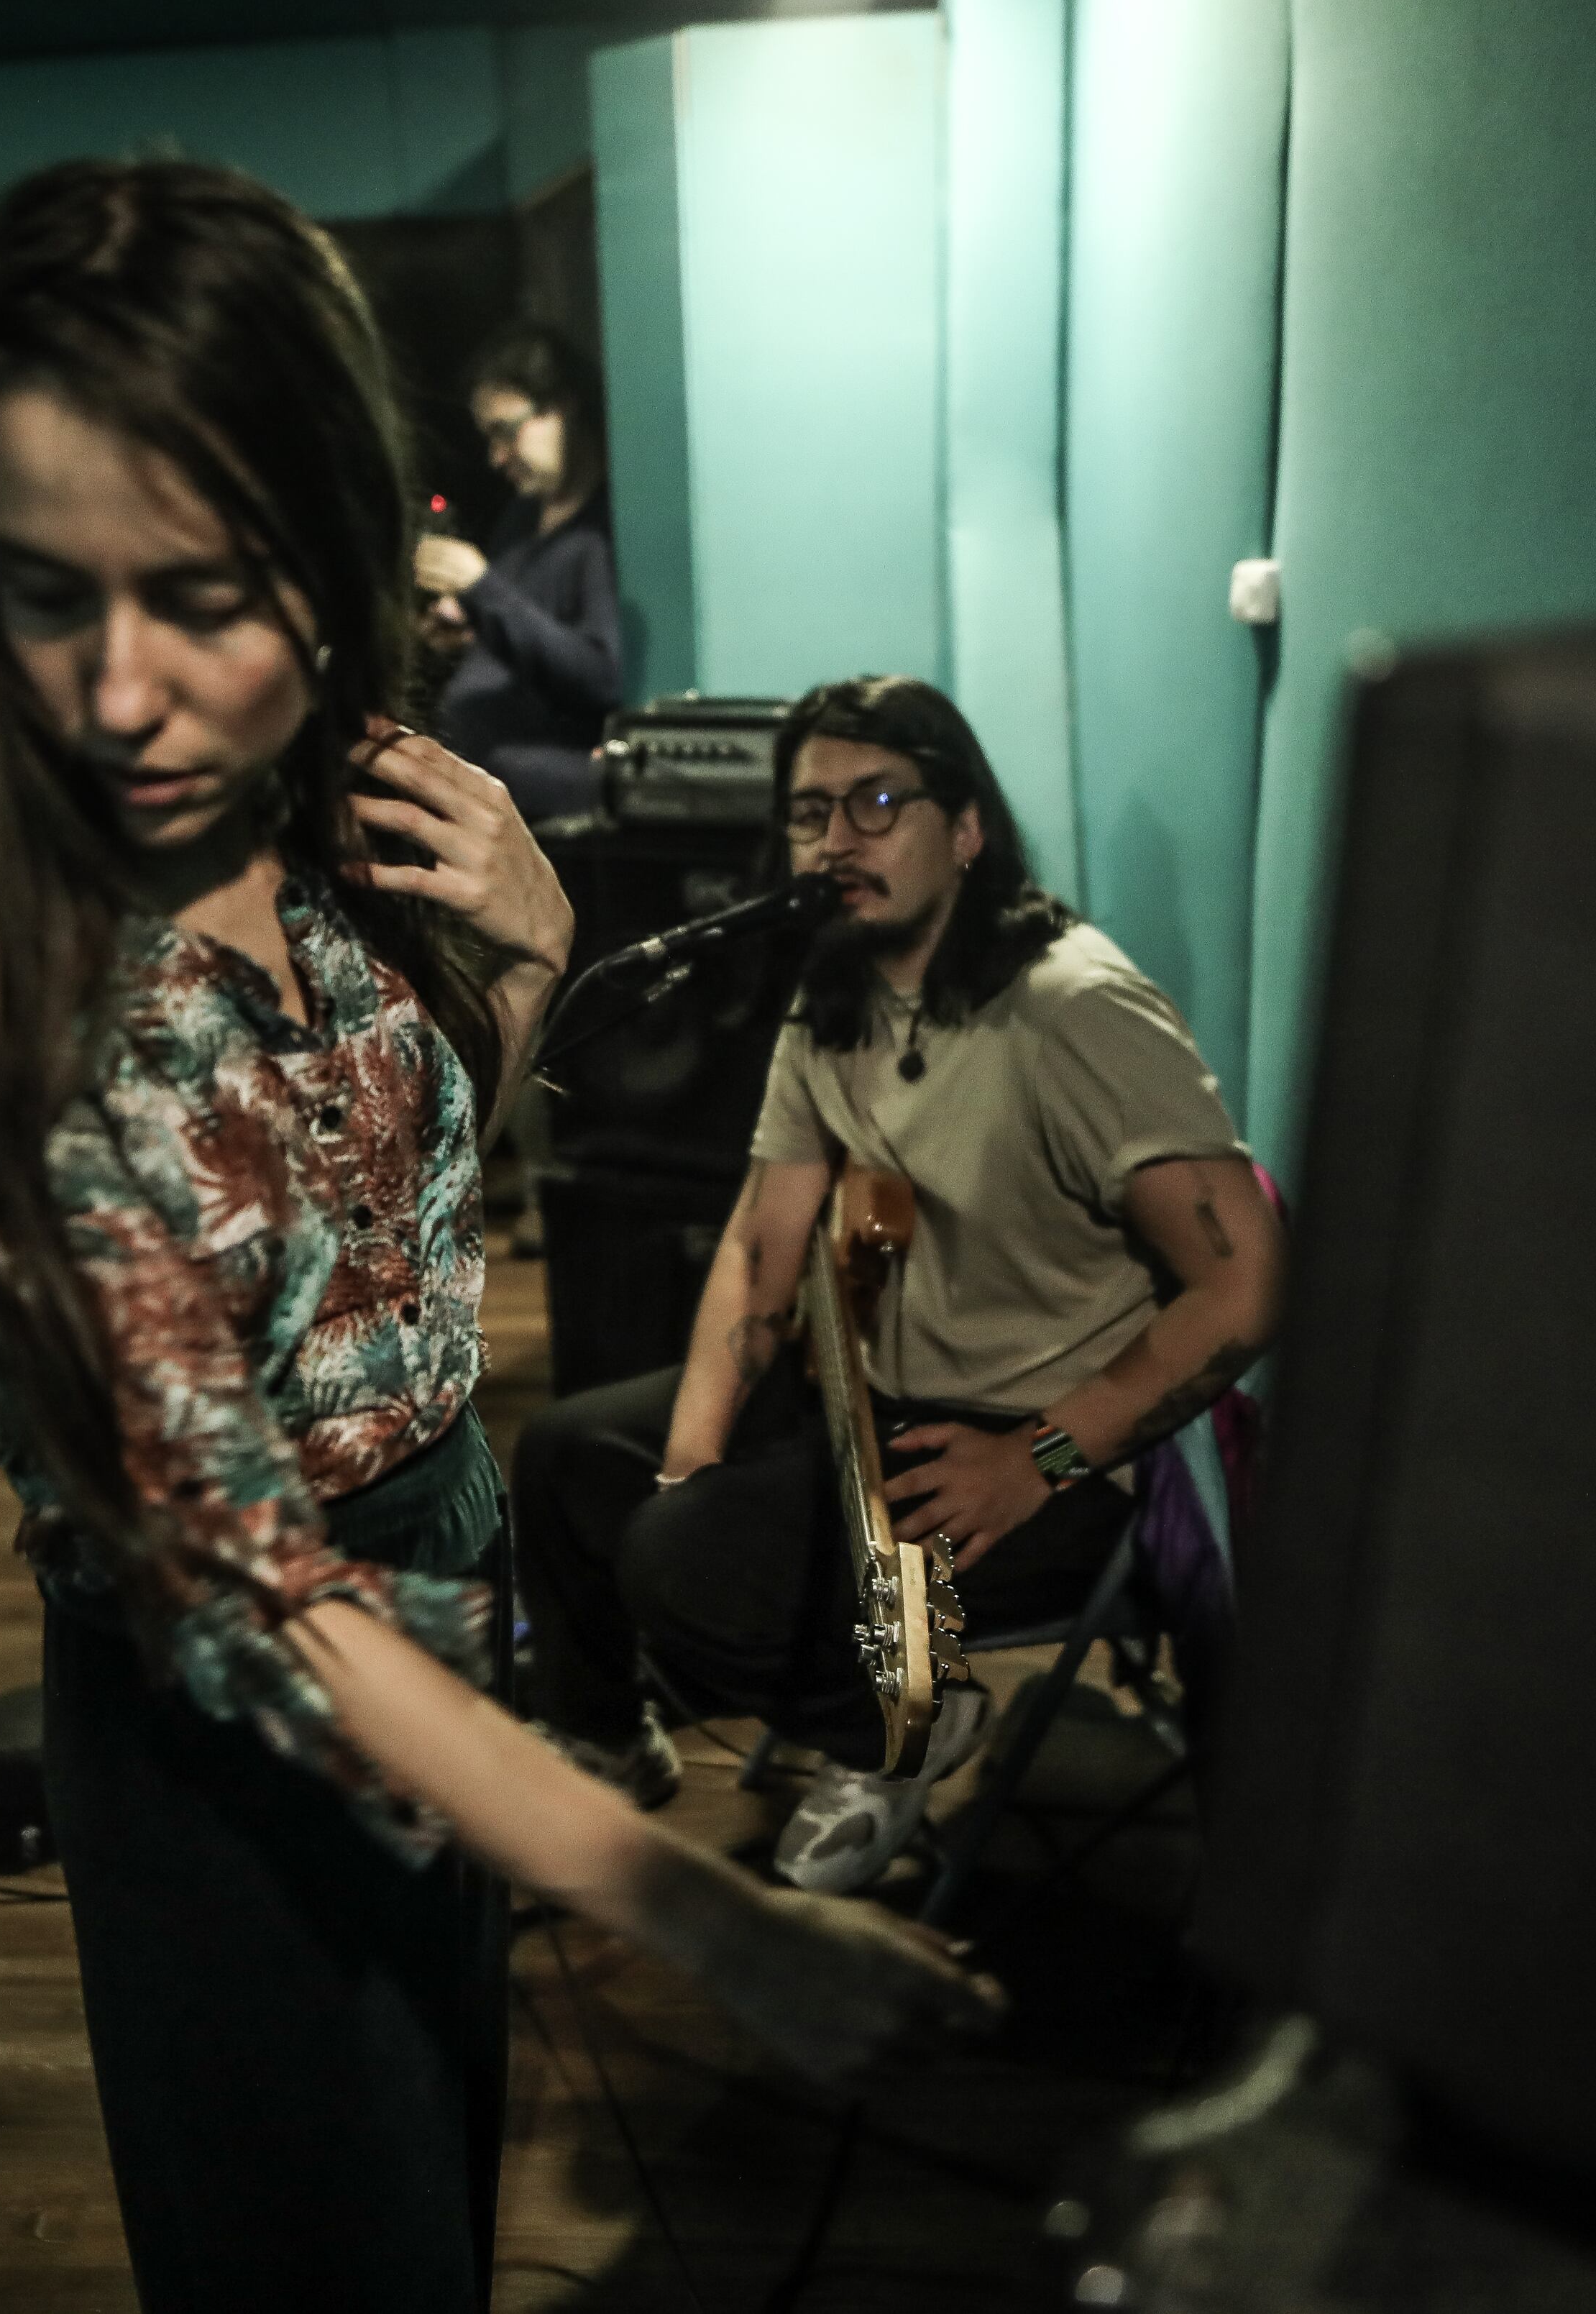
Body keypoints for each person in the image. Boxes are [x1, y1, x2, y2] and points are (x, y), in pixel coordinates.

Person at [0, 162, 994, 2314]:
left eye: (208, 593)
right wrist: (704, 1915)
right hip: (236, 1698)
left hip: (450, 1567)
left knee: (425, 2203)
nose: (120, 693)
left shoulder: (322, 800)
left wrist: (519, 967)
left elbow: (371, 1232)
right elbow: (249, 1587)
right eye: (46, 596)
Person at [513, 675, 1286, 1895]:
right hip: (881, 1405)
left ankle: (907, 1721)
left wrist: (1038, 1459)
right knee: (571, 1460)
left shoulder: (1074, 1007)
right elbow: (765, 1241)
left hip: (1048, 1456)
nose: (836, 838)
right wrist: (693, 1451)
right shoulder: (836, 995)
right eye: (811, 811)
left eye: (877, 802)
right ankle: (609, 1741)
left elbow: (1245, 1290)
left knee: (687, 1564)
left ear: (966, 828)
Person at [414, 321, 622, 822]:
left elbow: (600, 676)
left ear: (563, 408)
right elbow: (524, 635)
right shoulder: (519, 520)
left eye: (506, 432)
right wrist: (465, 629)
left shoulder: (602, 531)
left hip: (536, 796)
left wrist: (481, 589)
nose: (497, 457)